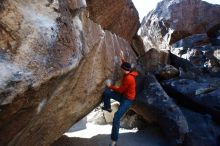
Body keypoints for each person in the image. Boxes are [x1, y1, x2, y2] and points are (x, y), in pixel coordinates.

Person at [101, 51, 138, 146]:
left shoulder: (129, 78)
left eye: (122, 69)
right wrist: (122, 58)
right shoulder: (128, 71)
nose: (120, 70)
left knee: (116, 117)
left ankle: (114, 141)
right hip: (124, 96)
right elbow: (125, 65)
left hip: (128, 100)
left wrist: (110, 86)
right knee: (106, 93)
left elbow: (120, 90)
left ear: (125, 70)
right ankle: (107, 107)